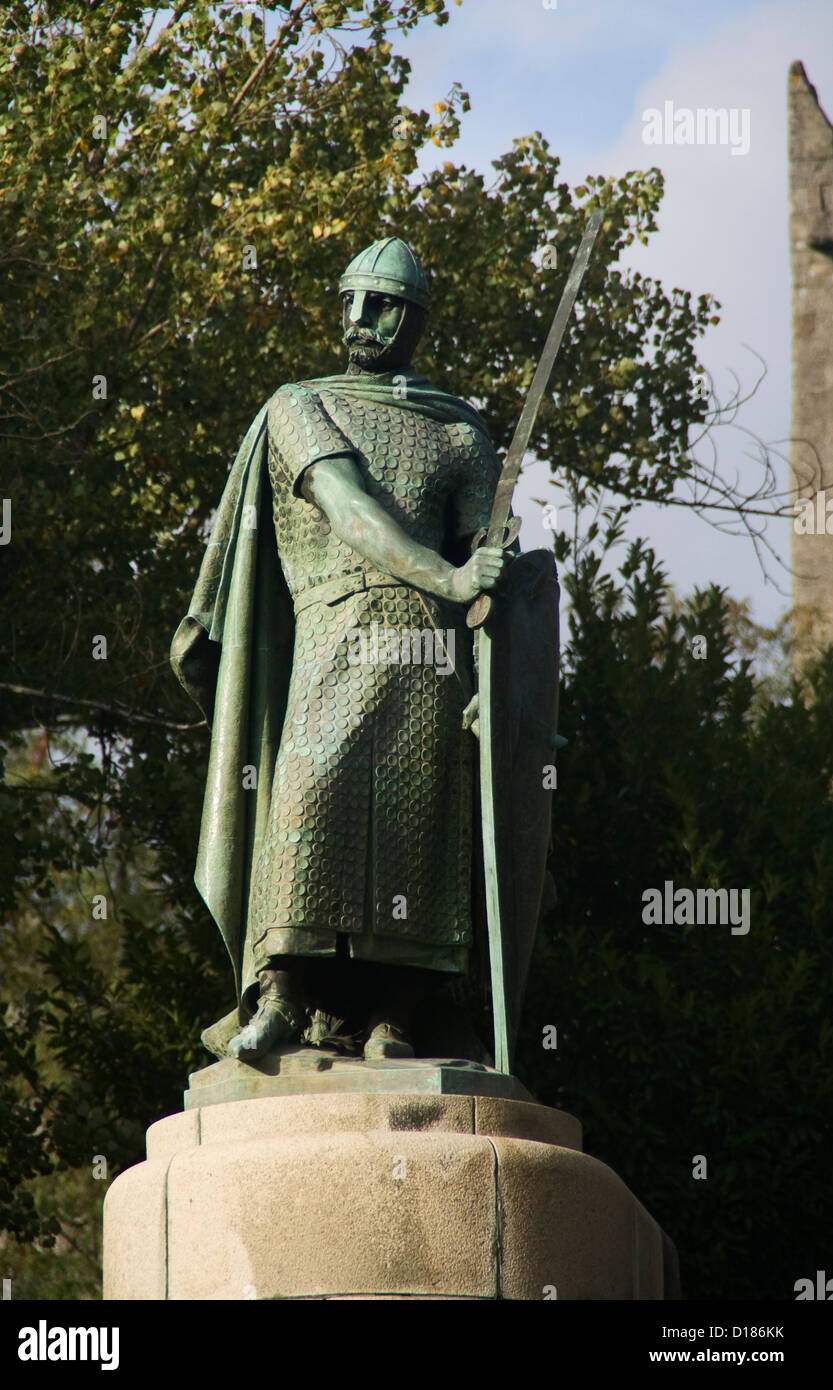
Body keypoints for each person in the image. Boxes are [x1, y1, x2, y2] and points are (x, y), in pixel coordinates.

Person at [171, 236, 510, 1063]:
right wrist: (453, 576)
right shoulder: (299, 406)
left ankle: (401, 1013)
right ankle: (283, 999)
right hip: (331, 642)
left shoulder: (462, 436)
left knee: (417, 823)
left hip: (430, 658)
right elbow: (348, 507)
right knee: (309, 801)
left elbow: (493, 575)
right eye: (350, 300)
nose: (360, 319)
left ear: (417, 318)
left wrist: (499, 605)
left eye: (383, 303)